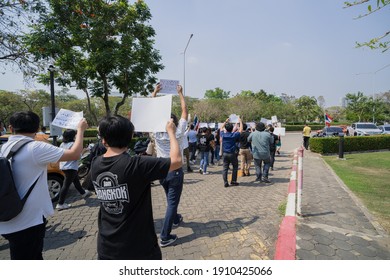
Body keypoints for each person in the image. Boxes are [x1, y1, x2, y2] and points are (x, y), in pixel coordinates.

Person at [90, 115, 182, 260]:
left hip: (106, 247)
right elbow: (176, 161)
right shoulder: (137, 165)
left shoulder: (95, 164)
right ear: (130, 137)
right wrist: (171, 132)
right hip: (138, 248)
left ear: (104, 140)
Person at [0, 111, 88, 260]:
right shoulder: (35, 148)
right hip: (27, 221)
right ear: (37, 128)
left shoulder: (4, 147)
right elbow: (74, 154)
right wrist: (80, 130)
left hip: (7, 216)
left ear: (10, 128)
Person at [151, 83, 187, 247]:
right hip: (175, 170)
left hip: (160, 170)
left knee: (170, 199)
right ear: (175, 122)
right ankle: (165, 236)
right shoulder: (178, 132)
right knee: (172, 202)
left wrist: (155, 93)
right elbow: (184, 112)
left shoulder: (157, 133)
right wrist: (180, 94)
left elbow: (150, 114)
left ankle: (176, 218)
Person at [56, 129, 91, 210]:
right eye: (75, 134)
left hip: (64, 166)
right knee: (66, 185)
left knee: (76, 180)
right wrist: (85, 150)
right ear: (72, 136)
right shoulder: (73, 144)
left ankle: (83, 193)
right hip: (70, 167)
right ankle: (60, 203)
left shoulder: (62, 144)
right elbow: (78, 156)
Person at [220, 117, 243, 187]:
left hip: (225, 153)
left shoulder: (223, 135)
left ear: (226, 129)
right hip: (232, 153)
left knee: (225, 168)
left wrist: (225, 121)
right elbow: (241, 130)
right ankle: (233, 180)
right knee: (235, 167)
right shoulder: (234, 135)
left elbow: (221, 128)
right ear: (232, 128)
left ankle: (225, 182)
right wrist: (240, 121)